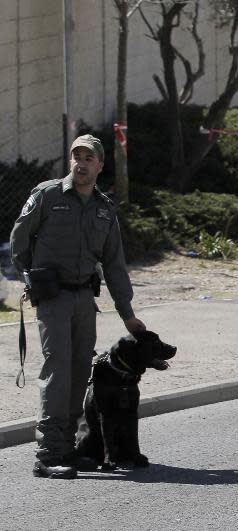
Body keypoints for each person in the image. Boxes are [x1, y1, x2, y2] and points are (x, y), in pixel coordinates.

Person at [10, 134, 146, 479]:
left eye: (89, 158)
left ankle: (68, 447)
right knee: (58, 371)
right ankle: (48, 453)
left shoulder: (103, 208)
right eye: (77, 157)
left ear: (100, 165)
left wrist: (127, 314)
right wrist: (31, 279)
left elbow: (114, 263)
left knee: (79, 372)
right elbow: (18, 240)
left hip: (85, 298)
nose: (81, 163)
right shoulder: (47, 195)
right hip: (53, 297)